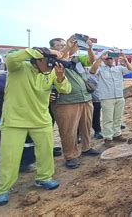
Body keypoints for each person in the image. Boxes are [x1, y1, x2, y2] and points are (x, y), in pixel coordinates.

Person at [0, 47, 71, 205]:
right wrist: (40, 51)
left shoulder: (51, 73)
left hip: (41, 120)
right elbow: (11, 59)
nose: (51, 66)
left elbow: (66, 89)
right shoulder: (19, 68)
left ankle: (44, 178)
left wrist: (60, 76)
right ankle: (3, 188)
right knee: (9, 156)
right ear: (38, 59)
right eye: (48, 61)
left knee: (45, 152)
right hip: (14, 121)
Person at [53, 36, 100, 169]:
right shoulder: (52, 61)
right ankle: (70, 155)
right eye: (58, 46)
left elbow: (92, 60)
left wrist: (90, 48)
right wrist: (67, 46)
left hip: (85, 98)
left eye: (64, 44)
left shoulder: (76, 60)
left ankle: (86, 147)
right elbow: (59, 56)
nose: (63, 47)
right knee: (68, 130)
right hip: (66, 101)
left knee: (86, 126)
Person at [89, 51, 132, 147]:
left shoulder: (119, 68)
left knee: (117, 118)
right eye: (107, 58)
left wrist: (125, 60)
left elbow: (131, 70)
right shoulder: (100, 69)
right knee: (108, 119)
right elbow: (92, 71)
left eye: (111, 58)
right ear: (104, 60)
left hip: (119, 96)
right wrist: (100, 58)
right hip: (107, 98)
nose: (109, 60)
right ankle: (108, 138)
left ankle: (117, 134)